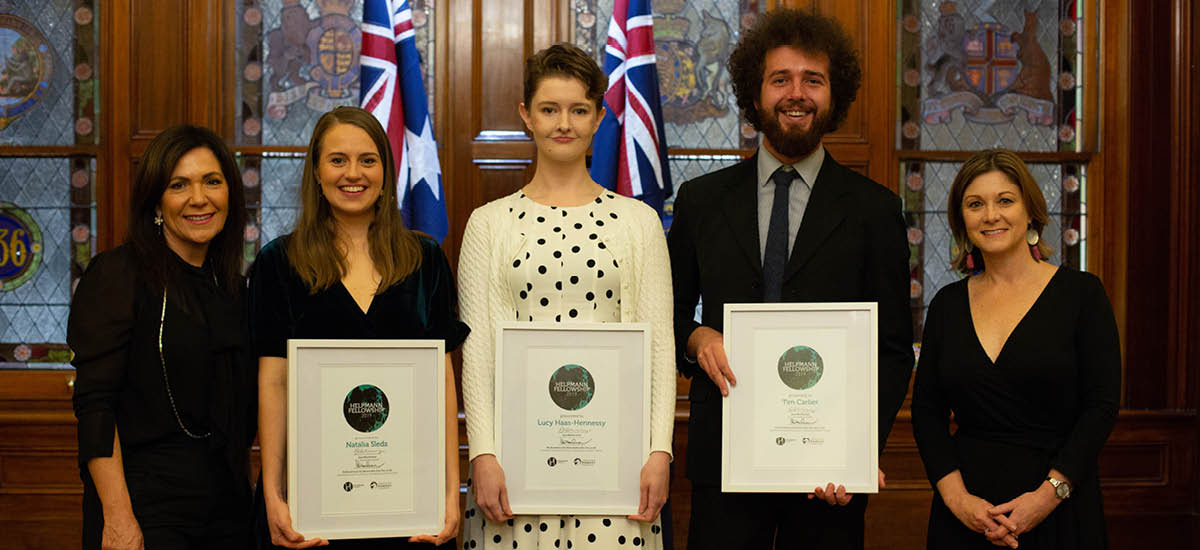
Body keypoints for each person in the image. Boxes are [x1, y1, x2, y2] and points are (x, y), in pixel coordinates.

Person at [667, 9, 914, 549]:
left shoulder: (876, 210)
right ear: (755, 95)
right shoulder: (701, 202)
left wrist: (856, 452)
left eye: (813, 80)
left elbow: (893, 349)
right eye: (780, 79)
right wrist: (696, 335)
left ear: (834, 95)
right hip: (725, 459)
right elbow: (669, 313)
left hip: (828, 473)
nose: (796, 94)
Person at [457, 43, 676, 550]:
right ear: (525, 116)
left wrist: (658, 452)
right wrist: (483, 454)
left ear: (599, 117)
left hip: (617, 465)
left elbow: (660, 346)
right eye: (549, 109)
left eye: (579, 110)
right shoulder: (489, 224)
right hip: (515, 465)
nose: (564, 123)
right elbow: (480, 353)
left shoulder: (638, 222)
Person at [248, 106, 468, 549]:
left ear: (386, 172)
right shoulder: (278, 263)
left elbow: (441, 381)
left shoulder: (425, 262)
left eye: (368, 160)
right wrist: (273, 492)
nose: (354, 173)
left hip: (408, 506)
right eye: (337, 160)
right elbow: (274, 382)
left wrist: (449, 491)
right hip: (312, 502)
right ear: (316, 171)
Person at [911, 149, 1120, 550]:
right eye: (975, 204)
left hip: (1059, 509)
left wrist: (1046, 498)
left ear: (1030, 212)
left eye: (1005, 200)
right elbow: (926, 412)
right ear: (962, 221)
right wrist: (958, 501)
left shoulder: (1082, 295)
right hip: (968, 516)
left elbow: (1102, 405)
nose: (991, 215)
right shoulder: (946, 305)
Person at [69, 125, 257, 549]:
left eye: (212, 181)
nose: (199, 198)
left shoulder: (234, 290)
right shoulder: (118, 275)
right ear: (156, 200)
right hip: (145, 510)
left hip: (228, 513)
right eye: (179, 185)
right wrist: (118, 519)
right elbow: (95, 406)